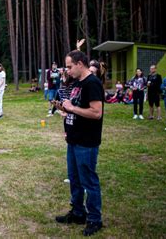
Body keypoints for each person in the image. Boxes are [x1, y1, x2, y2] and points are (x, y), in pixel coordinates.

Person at [54, 50, 104, 236]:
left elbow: (96, 112)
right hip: (74, 140)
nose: (67, 71)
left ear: (80, 64)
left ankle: (94, 219)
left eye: (69, 66)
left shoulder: (92, 83)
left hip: (86, 142)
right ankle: (77, 213)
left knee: (89, 181)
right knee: (74, 179)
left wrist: (72, 107)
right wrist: (66, 110)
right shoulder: (77, 83)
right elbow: (75, 109)